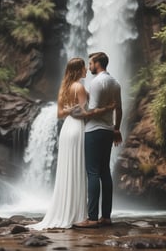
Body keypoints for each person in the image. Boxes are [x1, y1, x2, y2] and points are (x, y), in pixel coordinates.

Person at [27, 57, 114, 230]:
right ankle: (79, 213)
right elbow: (85, 113)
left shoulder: (65, 87)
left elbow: (60, 114)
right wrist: (106, 109)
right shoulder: (79, 87)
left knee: (70, 168)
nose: (86, 70)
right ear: (78, 70)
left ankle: (68, 210)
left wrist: (71, 110)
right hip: (78, 129)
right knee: (81, 168)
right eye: (83, 67)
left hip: (67, 129)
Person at [73, 51, 122, 228]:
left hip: (93, 131)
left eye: (91, 63)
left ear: (98, 63)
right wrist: (116, 129)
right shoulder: (115, 83)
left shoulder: (96, 83)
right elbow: (119, 109)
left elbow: (91, 112)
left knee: (92, 173)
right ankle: (106, 217)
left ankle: (92, 218)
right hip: (108, 131)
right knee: (104, 172)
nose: (89, 66)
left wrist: (78, 118)